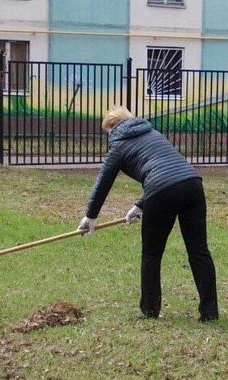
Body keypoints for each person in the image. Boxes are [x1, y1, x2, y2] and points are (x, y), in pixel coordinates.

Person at [78, 106, 218, 322]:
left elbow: (104, 181)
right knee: (199, 251)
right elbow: (166, 168)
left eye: (108, 132)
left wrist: (90, 217)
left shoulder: (119, 143)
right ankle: (210, 313)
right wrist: (140, 206)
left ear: (113, 127)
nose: (109, 137)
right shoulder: (152, 133)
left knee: (151, 254)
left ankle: (150, 310)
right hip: (192, 184)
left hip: (162, 191)